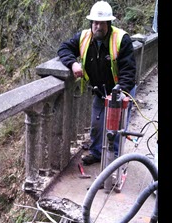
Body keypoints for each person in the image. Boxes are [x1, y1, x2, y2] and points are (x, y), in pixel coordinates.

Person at [57, 1, 137, 165]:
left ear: (108, 23)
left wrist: (120, 93)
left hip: (120, 90)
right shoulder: (84, 37)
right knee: (96, 124)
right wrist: (73, 63)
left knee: (116, 128)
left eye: (101, 23)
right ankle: (96, 153)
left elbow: (128, 71)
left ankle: (114, 160)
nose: (97, 26)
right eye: (94, 22)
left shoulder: (122, 39)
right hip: (100, 91)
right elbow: (64, 48)